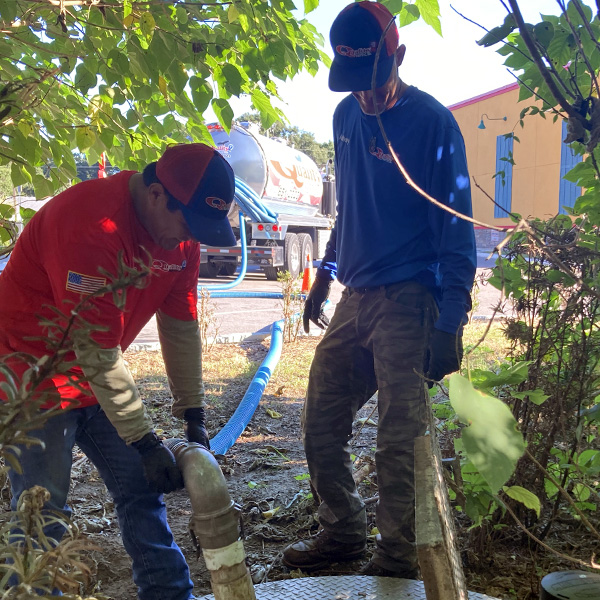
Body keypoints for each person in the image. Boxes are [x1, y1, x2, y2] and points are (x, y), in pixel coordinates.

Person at [282, 1, 476, 580]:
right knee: (321, 414)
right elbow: (349, 208)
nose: (366, 97)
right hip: (355, 297)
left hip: (409, 301)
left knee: (399, 437)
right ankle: (342, 532)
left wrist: (450, 323)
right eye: (354, 86)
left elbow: (456, 230)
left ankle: (397, 561)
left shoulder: (434, 123)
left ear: (400, 57)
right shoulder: (345, 117)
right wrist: (323, 273)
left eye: (375, 81)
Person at [0, 143, 236, 600]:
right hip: (32, 374)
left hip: (96, 376)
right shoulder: (90, 225)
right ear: (155, 194)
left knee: (142, 488)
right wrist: (146, 440)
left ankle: (169, 594)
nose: (192, 238)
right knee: (41, 513)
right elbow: (97, 351)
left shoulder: (180, 240)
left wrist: (194, 415)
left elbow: (181, 325)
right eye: (188, 222)